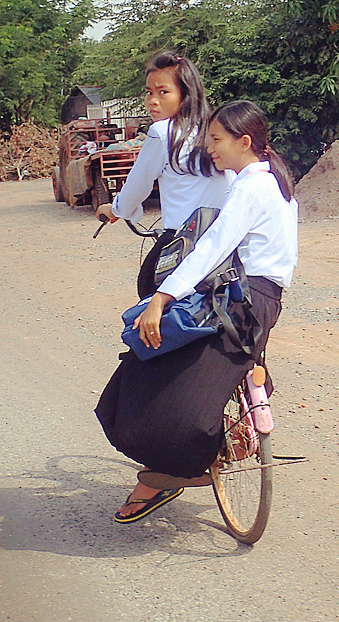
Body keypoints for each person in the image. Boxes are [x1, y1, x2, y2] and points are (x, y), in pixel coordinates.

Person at [96, 100, 298, 524]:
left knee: (155, 365)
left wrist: (161, 298)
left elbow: (211, 247)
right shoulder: (275, 181)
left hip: (242, 304)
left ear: (245, 141)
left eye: (218, 141)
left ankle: (169, 474)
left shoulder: (251, 186)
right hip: (259, 301)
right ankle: (184, 461)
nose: (211, 150)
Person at [98, 51, 232, 298]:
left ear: (186, 93)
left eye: (163, 92)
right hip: (222, 241)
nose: (152, 101)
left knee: (148, 289)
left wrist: (116, 210)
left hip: (183, 240)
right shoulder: (216, 129)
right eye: (149, 92)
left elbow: (136, 187)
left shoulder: (162, 133)